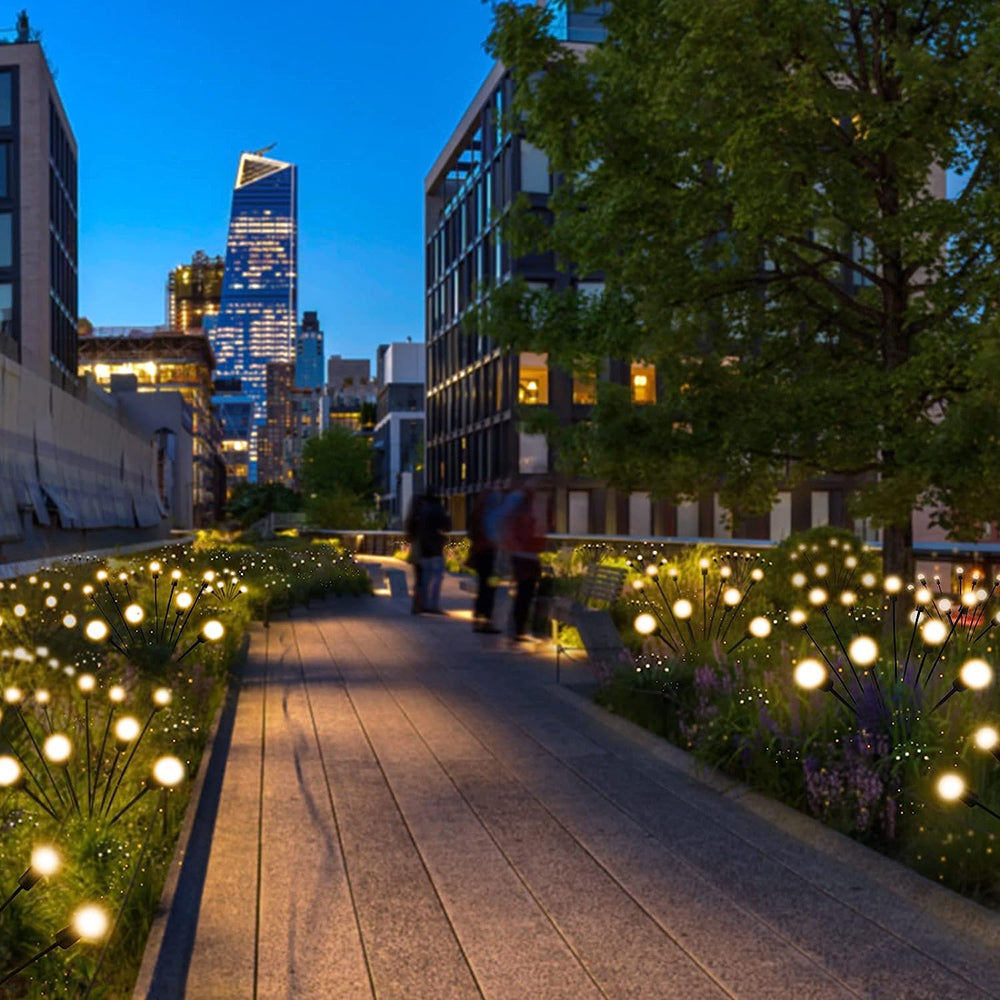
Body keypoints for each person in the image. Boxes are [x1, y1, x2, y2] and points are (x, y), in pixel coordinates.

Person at [501, 484, 545, 641]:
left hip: (520, 557)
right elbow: (533, 538)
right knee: (524, 594)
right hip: (526, 559)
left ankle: (516, 628)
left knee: (522, 594)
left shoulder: (516, 513)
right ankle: (518, 630)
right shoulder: (525, 514)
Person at [468, 488, 502, 633]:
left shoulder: (478, 512)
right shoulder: (489, 514)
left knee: (483, 585)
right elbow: (493, 533)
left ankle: (479, 619)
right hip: (488, 552)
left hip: (481, 552)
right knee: (488, 587)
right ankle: (485, 620)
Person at [416, 491, 451, 614]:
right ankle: (433, 605)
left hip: (424, 549)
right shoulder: (439, 510)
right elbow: (447, 526)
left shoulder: (423, 510)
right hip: (436, 548)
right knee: (437, 577)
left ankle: (424, 604)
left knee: (425, 577)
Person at [403, 494, 425, 614]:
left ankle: (416, 604)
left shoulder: (411, 518)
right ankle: (420, 603)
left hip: (415, 551)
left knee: (418, 578)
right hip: (422, 550)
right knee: (423, 577)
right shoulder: (422, 517)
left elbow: (408, 535)